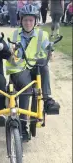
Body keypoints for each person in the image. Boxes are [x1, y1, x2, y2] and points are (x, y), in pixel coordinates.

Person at [6, 4, 60, 141]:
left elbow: (48, 52)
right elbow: (9, 54)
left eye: (31, 20)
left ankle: (47, 99)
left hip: (35, 67)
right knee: (26, 88)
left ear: (35, 21)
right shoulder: (14, 34)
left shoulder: (42, 35)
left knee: (44, 67)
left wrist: (50, 51)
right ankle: (23, 125)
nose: (28, 23)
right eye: (25, 20)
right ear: (21, 20)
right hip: (19, 69)